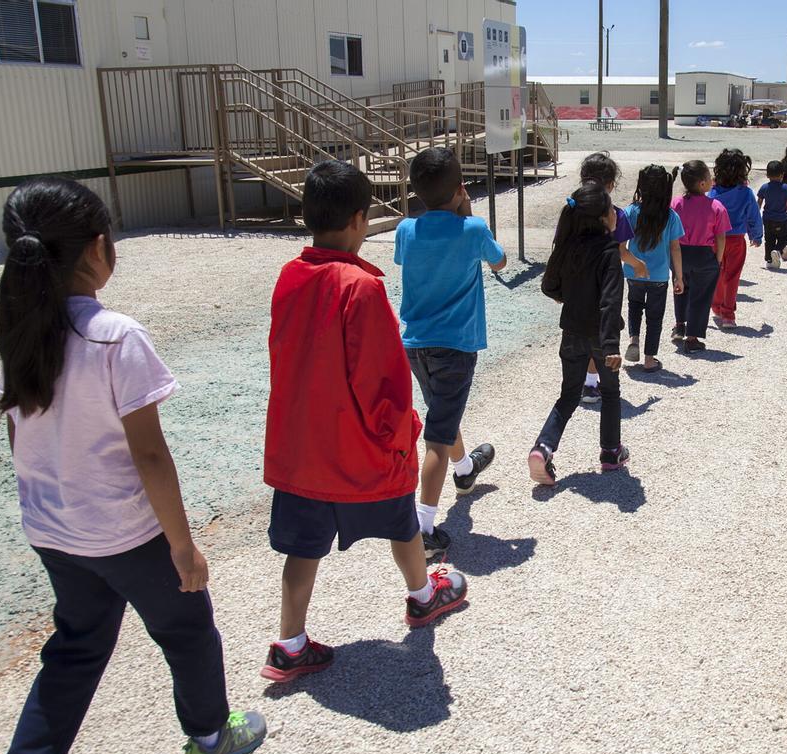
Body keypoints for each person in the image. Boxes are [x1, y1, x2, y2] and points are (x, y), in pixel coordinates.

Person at [0, 178, 267, 754]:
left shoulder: (18, 333)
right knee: (187, 630)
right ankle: (210, 737)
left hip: (55, 531)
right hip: (126, 533)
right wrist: (182, 546)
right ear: (96, 248)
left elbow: (20, 436)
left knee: (75, 645)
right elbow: (150, 457)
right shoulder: (114, 336)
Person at [261, 161, 469, 687]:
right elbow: (382, 380)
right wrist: (401, 437)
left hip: (302, 450)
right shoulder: (361, 287)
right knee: (401, 521)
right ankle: (422, 596)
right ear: (360, 219)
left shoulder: (289, 276)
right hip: (359, 447)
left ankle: (289, 645)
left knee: (302, 548)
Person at [395, 147, 506, 559]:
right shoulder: (473, 229)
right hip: (455, 346)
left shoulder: (406, 230)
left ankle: (465, 470)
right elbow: (499, 262)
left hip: (415, 345)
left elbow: (407, 257)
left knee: (442, 411)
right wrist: (467, 213)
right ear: (461, 188)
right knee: (437, 438)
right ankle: (423, 529)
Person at [528, 182, 628, 486]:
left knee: (569, 394)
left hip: (571, 332)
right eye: (612, 209)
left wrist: (568, 297)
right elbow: (610, 302)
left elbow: (549, 286)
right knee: (610, 392)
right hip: (600, 337)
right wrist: (611, 346)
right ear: (602, 218)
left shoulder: (567, 246)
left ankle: (543, 447)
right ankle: (610, 451)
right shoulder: (609, 252)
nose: (615, 214)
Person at [576, 152, 644, 404]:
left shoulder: (572, 211)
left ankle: (582, 380)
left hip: (578, 280)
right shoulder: (616, 215)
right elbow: (621, 251)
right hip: (607, 283)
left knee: (581, 329)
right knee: (603, 329)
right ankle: (591, 383)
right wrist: (638, 265)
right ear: (611, 185)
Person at [623, 165, 684, 373]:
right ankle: (649, 360)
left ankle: (634, 339)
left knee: (634, 306)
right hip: (659, 276)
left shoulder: (631, 212)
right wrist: (679, 277)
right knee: (655, 317)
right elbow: (675, 248)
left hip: (634, 271)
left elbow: (621, 242)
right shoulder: (670, 216)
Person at [671, 160, 729, 349]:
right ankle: (692, 338)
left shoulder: (676, 203)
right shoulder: (716, 206)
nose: (712, 180)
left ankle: (680, 325)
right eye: (709, 177)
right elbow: (721, 237)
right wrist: (717, 260)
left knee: (680, 288)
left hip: (680, 253)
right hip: (704, 255)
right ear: (702, 183)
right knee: (701, 296)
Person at [709, 148, 762, 330]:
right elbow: (754, 216)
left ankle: (716, 306)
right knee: (732, 277)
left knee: (716, 273)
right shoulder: (746, 193)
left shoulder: (712, 192)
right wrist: (756, 235)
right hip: (736, 240)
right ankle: (728, 315)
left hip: (715, 240)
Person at [757, 160, 787, 269]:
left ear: (767, 175)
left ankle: (769, 260)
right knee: (785, 237)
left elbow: (759, 202)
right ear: (782, 174)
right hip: (781, 218)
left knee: (769, 239)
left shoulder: (764, 187)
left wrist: (755, 215)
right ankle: (778, 251)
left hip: (767, 219)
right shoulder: (786, 188)